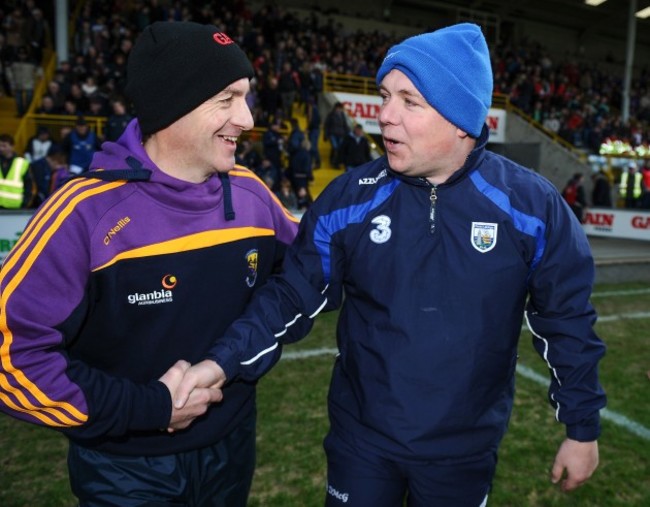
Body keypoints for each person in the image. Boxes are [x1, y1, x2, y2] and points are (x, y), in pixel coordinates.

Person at [173, 24, 607, 506]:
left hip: (462, 451)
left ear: (460, 117)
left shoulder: (532, 208)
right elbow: (290, 295)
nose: (385, 116)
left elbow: (566, 321)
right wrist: (221, 361)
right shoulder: (349, 198)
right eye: (384, 96)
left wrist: (581, 429)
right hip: (363, 442)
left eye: (409, 101)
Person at [0, 21, 305, 507]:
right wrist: (147, 408)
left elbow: (312, 272)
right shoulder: (83, 213)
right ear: (174, 103)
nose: (247, 119)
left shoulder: (251, 195)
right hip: (124, 467)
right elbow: (11, 358)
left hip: (231, 450)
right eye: (227, 98)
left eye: (245, 97)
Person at [29, 143, 70, 207]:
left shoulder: (56, 169)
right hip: (36, 205)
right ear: (56, 156)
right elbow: (41, 189)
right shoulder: (38, 166)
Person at [0, 132, 34, 208]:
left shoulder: (22, 163)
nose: (1, 148)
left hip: (15, 207)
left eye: (4, 146)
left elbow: (29, 186)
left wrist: (25, 203)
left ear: (12, 146)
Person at [324, 101, 349, 168]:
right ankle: (333, 161)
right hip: (333, 134)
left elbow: (345, 124)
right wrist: (326, 134)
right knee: (335, 148)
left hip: (341, 134)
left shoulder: (342, 115)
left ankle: (335, 162)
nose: (339, 109)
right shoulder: (331, 115)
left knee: (339, 149)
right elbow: (327, 125)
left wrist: (347, 132)